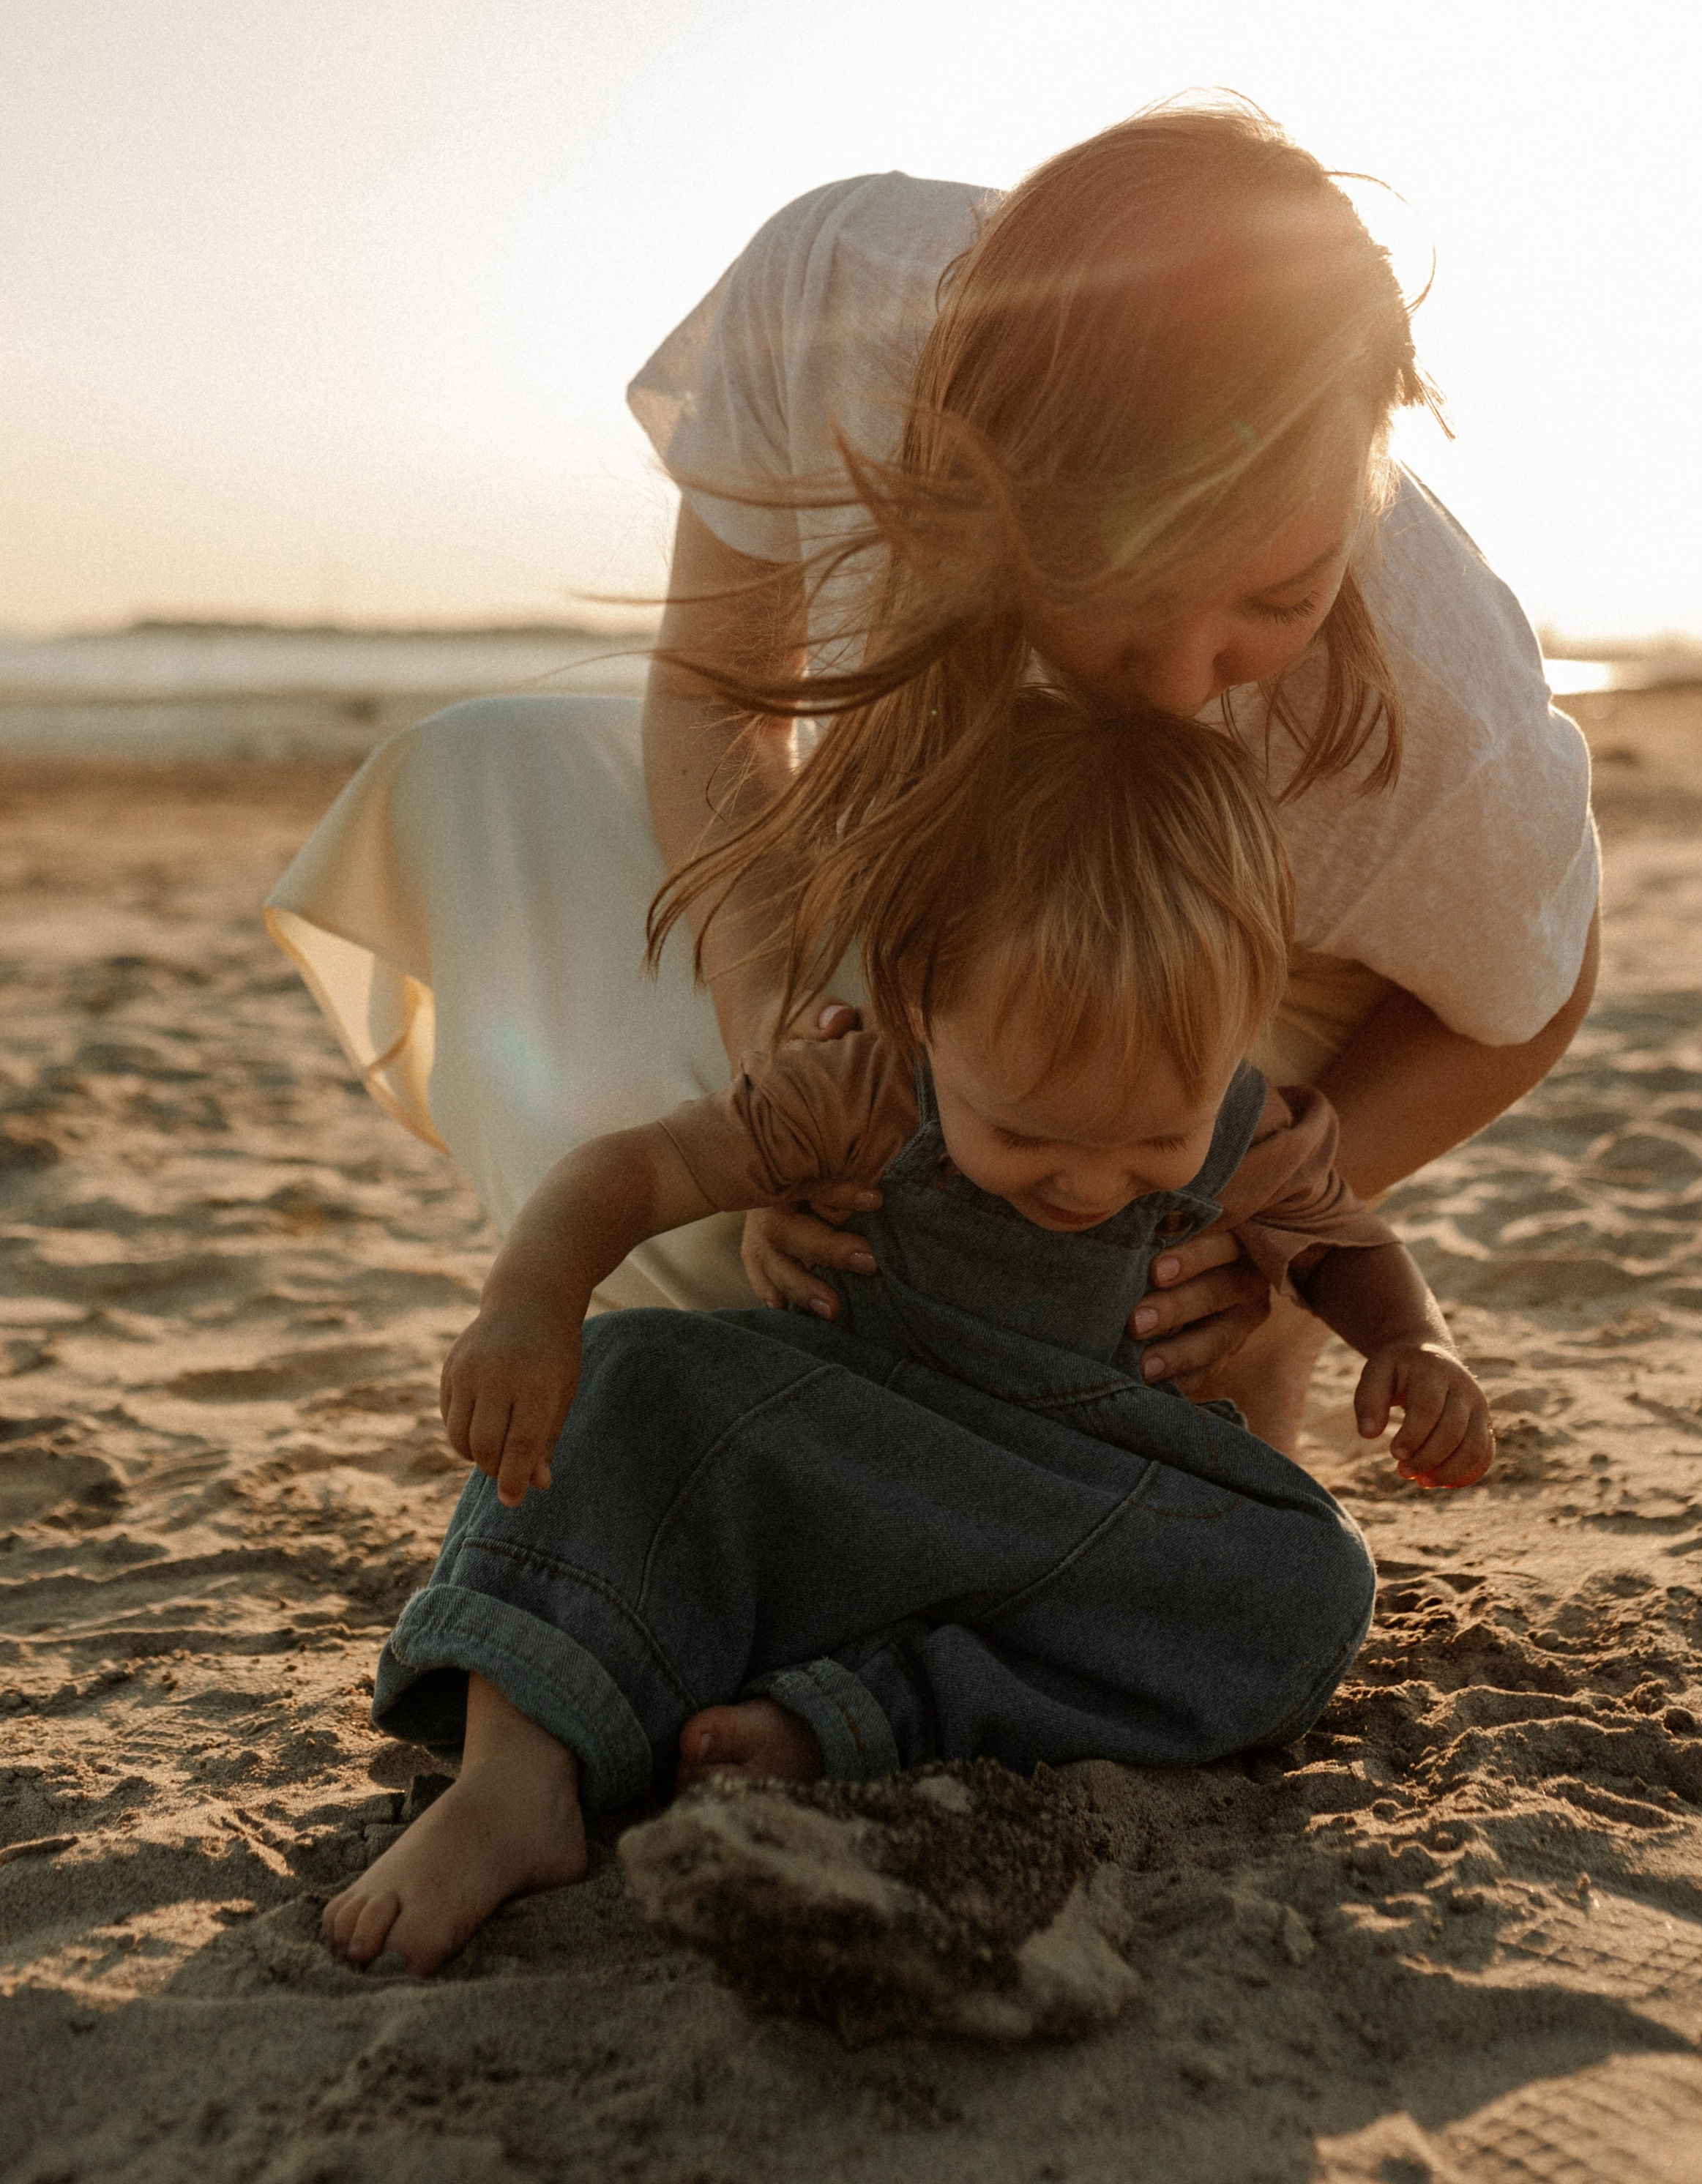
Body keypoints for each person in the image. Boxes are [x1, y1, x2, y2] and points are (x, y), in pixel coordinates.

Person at [267, 99, 1597, 1453]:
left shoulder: (1440, 691)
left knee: (1060, 1275)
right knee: (489, 775)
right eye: (1124, 595)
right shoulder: (837, 298)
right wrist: (776, 1054)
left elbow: (1536, 992)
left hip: (1231, 967)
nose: (1186, 680)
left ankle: (1208, 1360)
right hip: (953, 867)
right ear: (994, 453)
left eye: (1277, 593)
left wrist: (1254, 1227)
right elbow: (724, 695)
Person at [321, 693, 1493, 1979]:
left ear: (1239, 1028)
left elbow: (1347, 1244)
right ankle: (512, 1778)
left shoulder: (1249, 1125)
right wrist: (528, 1307)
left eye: (1154, 1140)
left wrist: (1413, 1345)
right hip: (831, 1456)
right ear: (925, 1002)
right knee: (629, 1375)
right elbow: (633, 1176)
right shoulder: (863, 1088)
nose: (1091, 1184)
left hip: (1062, 1511)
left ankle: (862, 1719)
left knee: (1310, 1579)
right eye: (1031, 1134)